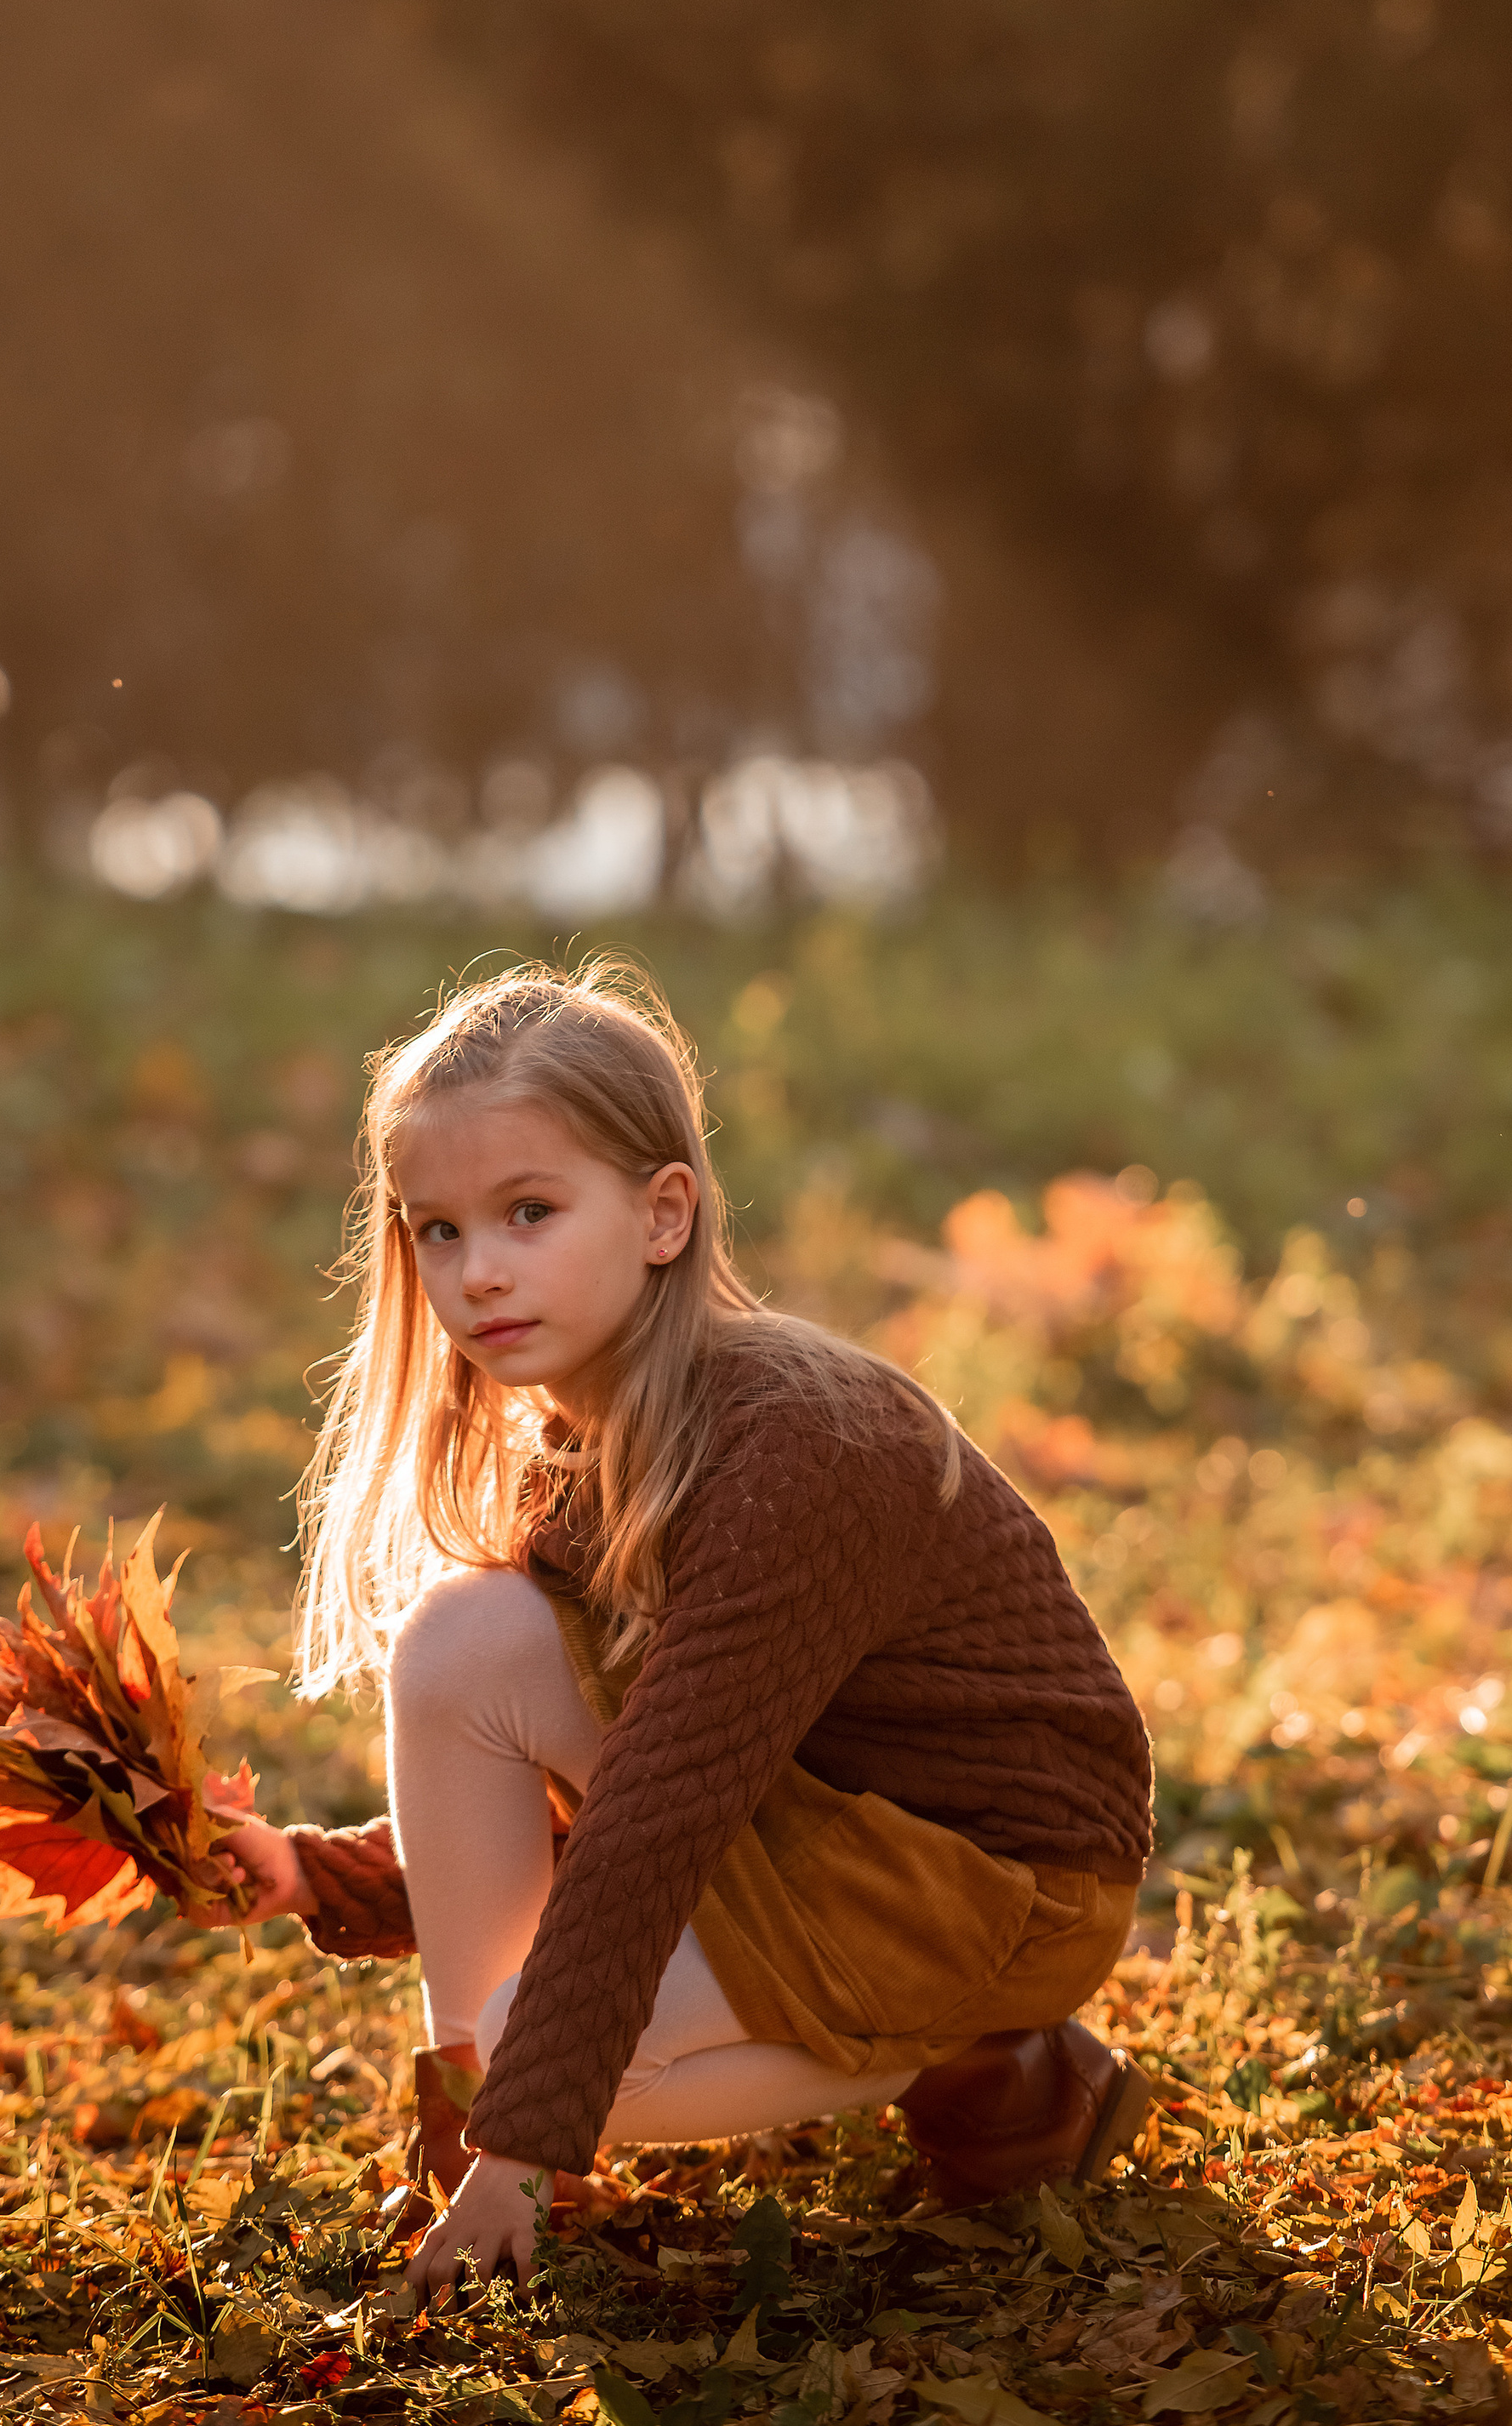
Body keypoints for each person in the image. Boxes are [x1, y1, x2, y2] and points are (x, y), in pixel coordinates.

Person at [213, 962, 1155, 2307]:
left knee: (599, 2068)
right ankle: (474, 2115)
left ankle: (995, 2054)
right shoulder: (579, 1437)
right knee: (465, 1640)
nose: (478, 1273)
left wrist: (531, 2138)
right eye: (438, 1230)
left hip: (999, 1880)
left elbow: (656, 1818)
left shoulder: (795, 1450)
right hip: (808, 1823)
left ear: (664, 1215)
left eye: (530, 1212)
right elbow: (643, 1773)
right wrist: (316, 1877)